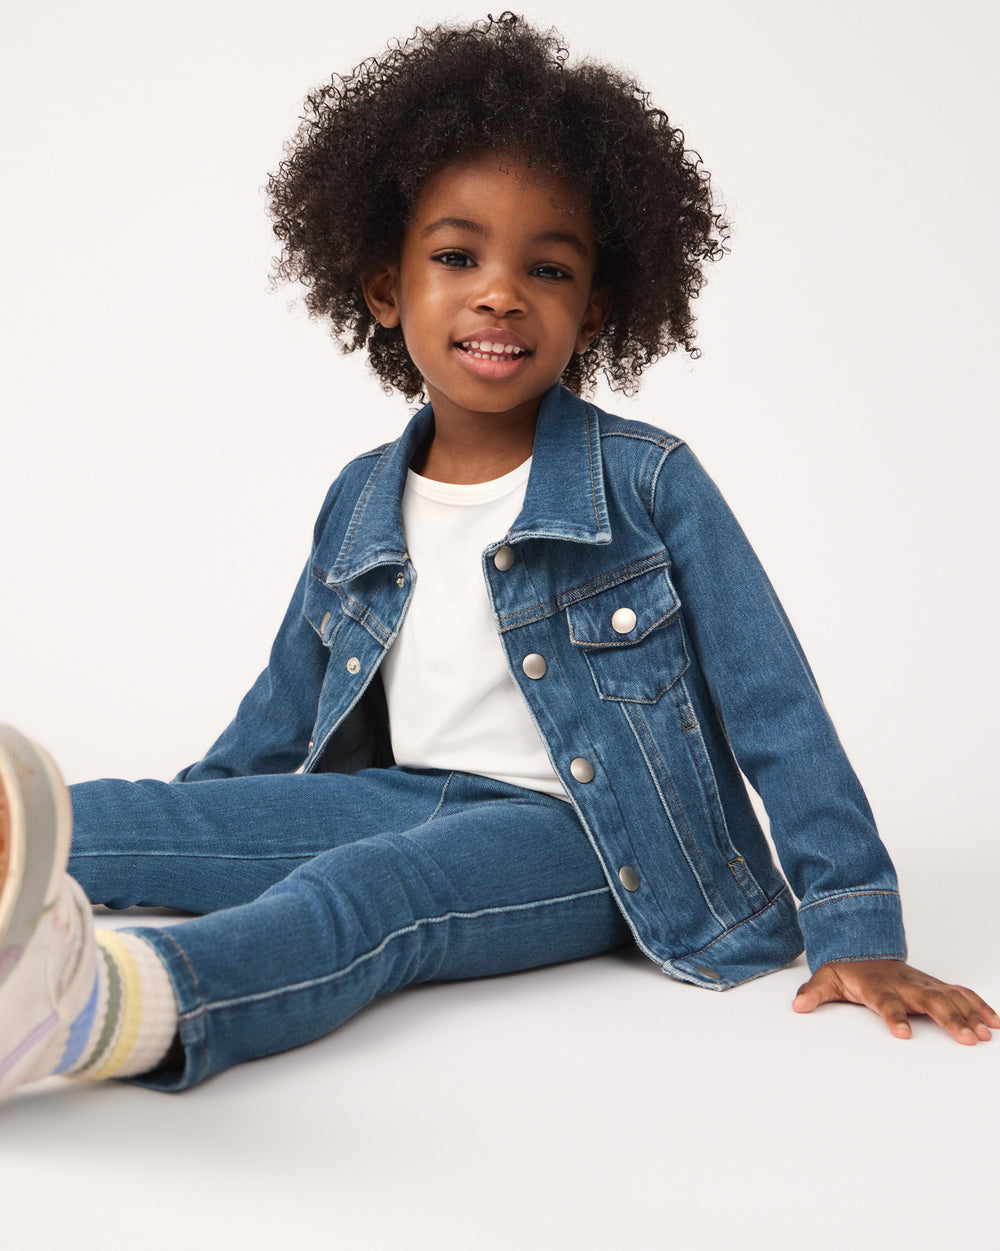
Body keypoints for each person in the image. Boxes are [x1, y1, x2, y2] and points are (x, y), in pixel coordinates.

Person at [1, 13, 995, 1103]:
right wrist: (211, 829)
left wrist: (855, 922)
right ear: (387, 288)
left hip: (583, 837)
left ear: (595, 307)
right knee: (125, 815)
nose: (499, 292)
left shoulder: (649, 484)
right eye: (456, 255)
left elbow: (776, 709)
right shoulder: (359, 496)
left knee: (369, 893)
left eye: (549, 268)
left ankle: (107, 1013)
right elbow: (284, 703)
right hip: (396, 790)